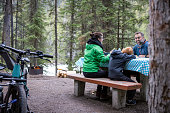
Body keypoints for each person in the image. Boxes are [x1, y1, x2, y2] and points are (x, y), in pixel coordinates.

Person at [83, 32, 110, 99]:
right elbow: (103, 59)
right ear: (99, 39)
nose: (102, 40)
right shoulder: (97, 47)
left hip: (85, 71)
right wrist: (110, 54)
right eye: (102, 38)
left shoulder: (88, 46)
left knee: (102, 72)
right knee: (108, 73)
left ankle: (98, 93)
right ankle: (103, 95)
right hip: (92, 72)